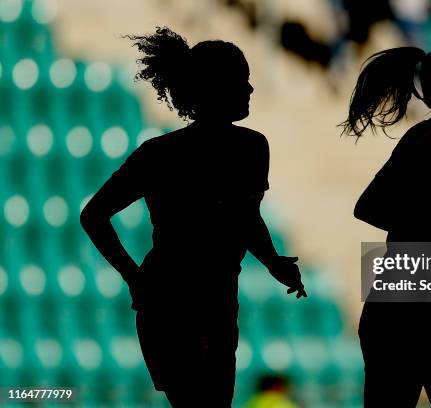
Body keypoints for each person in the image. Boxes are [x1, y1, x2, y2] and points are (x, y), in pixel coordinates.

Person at [80, 27, 307, 407]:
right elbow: (94, 216)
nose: (249, 90)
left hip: (203, 299)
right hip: (177, 302)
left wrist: (273, 262)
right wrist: (134, 279)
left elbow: (244, 216)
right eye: (241, 81)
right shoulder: (247, 148)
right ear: (215, 88)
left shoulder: (170, 152)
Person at [342, 44, 431, 407]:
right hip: (425, 313)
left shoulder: (426, 139)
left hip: (410, 310)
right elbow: (369, 207)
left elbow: (370, 207)